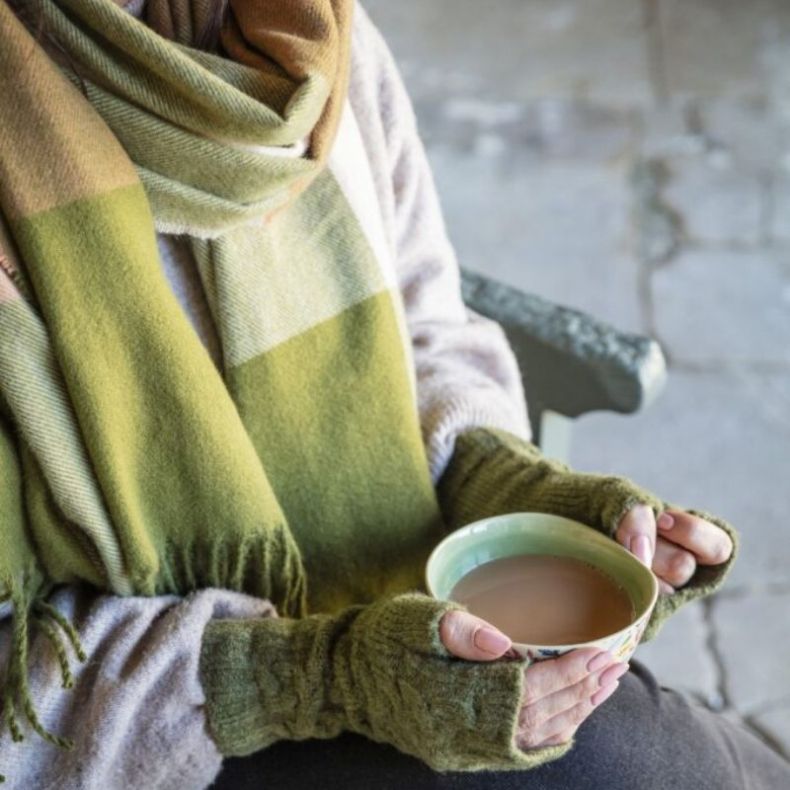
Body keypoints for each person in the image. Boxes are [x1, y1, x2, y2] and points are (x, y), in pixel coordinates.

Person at [0, 0, 787, 788]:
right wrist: (319, 677)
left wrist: (516, 495)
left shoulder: (302, 38)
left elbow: (430, 327)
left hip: (410, 630)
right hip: (148, 730)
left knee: (658, 753)